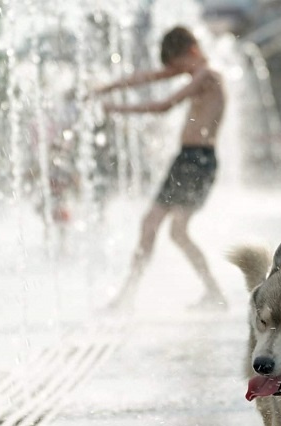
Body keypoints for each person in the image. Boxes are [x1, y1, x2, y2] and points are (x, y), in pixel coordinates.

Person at [91, 26, 227, 310]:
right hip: (189, 159)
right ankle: (209, 291)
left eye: (179, 67)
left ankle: (132, 294)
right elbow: (150, 76)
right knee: (163, 227)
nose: (177, 73)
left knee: (167, 227)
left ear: (192, 52)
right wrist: (106, 88)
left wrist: (115, 109)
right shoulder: (196, 72)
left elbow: (165, 105)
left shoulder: (208, 75)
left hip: (198, 159)